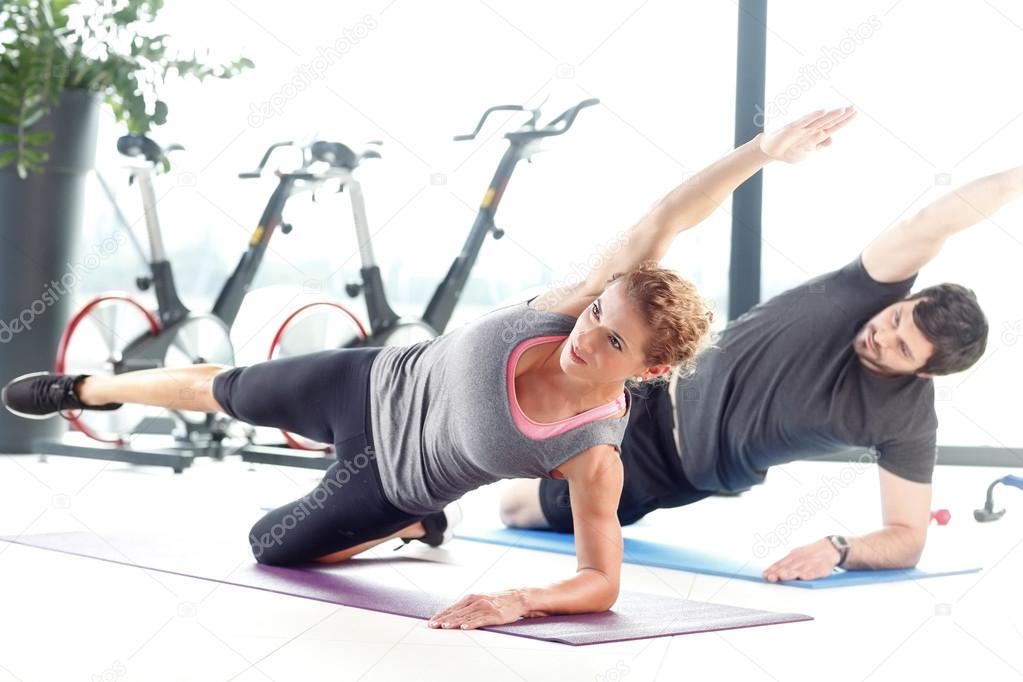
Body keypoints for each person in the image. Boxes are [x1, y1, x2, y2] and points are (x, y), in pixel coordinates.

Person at [2, 107, 848, 628]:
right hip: (371, 381)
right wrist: (762, 153)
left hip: (391, 481)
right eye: (597, 316)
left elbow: (601, 579)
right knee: (216, 387)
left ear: (652, 371)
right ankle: (84, 388)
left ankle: (408, 530)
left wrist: (521, 599)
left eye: (614, 344)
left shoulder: (591, 452)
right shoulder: (569, 305)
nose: (586, 338)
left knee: (270, 547)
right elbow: (665, 215)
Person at [500, 115, 1014, 583]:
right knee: (516, 406)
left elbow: (908, 537)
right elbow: (934, 222)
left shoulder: (906, 421)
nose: (883, 333)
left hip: (666, 464)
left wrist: (840, 548)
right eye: (896, 317)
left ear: (923, 374)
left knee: (517, 509)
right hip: (651, 377)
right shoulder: (867, 291)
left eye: (902, 348)